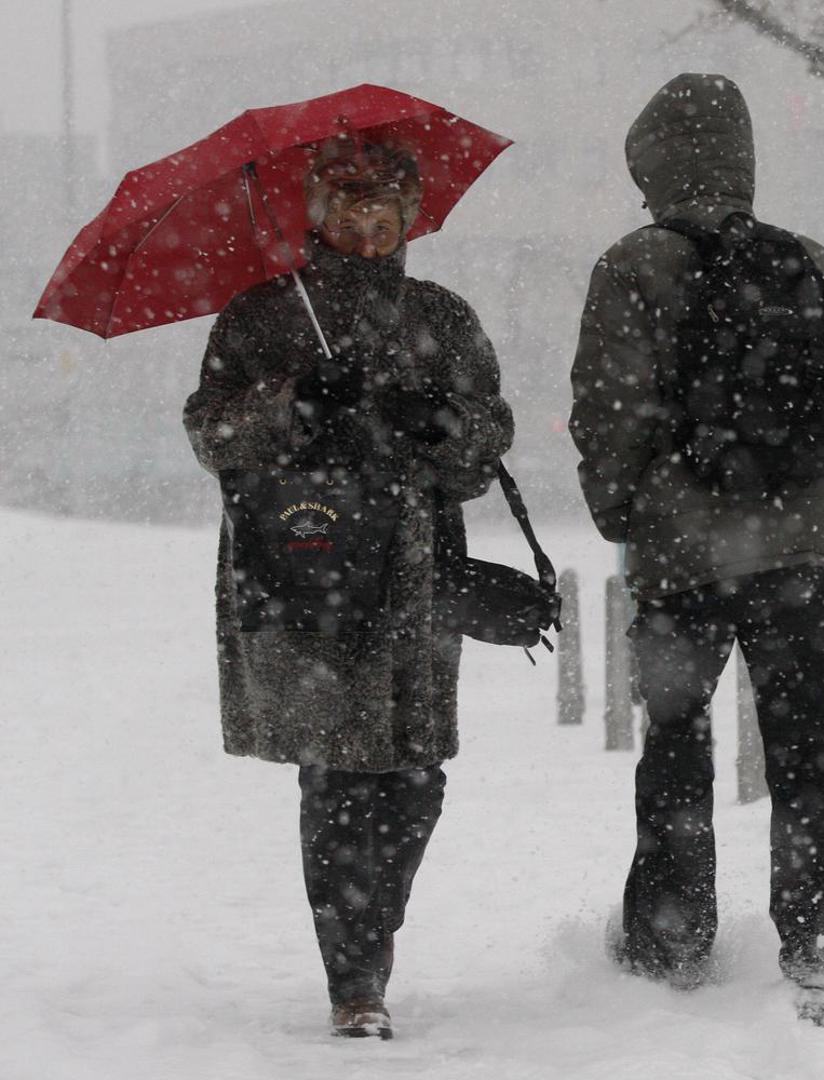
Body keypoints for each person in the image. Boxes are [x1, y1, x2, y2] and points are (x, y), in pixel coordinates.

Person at [568, 73, 824, 1022]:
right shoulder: (809, 263)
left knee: (676, 740)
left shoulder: (633, 264)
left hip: (680, 555)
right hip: (795, 556)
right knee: (816, 749)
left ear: (654, 168)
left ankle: (671, 937)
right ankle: (819, 940)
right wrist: (816, 504)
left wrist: (629, 511)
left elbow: (609, 410)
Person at [182, 138, 513, 1040]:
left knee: (415, 780)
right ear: (315, 220)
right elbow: (210, 433)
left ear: (408, 221)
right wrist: (293, 402)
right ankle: (355, 977)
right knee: (334, 781)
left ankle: (375, 930)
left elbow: (488, 444)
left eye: (384, 222)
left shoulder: (440, 317)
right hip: (307, 576)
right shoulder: (260, 319)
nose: (367, 240)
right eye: (348, 221)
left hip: (416, 577)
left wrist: (442, 423)